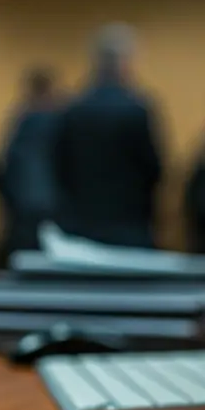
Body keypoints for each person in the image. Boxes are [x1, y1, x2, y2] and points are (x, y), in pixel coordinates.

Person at [53, 23, 163, 248]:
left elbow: (59, 166)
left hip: (81, 225)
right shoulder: (136, 108)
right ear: (124, 62)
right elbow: (153, 169)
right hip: (130, 224)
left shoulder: (73, 109)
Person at [0, 66, 63, 253]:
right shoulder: (59, 121)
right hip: (54, 204)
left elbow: (6, 165)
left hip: (22, 205)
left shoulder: (19, 122)